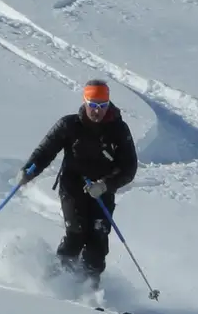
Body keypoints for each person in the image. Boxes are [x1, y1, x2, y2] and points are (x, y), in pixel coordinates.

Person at [19, 80, 138, 285]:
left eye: (102, 106)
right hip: (73, 184)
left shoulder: (119, 129)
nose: (97, 111)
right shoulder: (69, 124)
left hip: (102, 189)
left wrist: (105, 185)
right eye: (93, 105)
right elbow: (45, 151)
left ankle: (89, 287)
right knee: (76, 232)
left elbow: (129, 168)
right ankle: (57, 279)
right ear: (85, 102)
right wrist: (28, 171)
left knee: (98, 238)